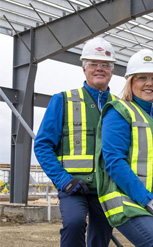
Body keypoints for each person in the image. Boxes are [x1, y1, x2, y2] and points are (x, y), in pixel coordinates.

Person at [34, 37, 117, 247]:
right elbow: (43, 145)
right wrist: (64, 180)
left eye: (105, 65)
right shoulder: (62, 100)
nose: (99, 69)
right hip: (72, 186)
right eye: (93, 64)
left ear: (112, 70)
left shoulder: (120, 106)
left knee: (102, 234)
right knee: (74, 222)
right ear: (84, 68)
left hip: (107, 189)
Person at [95, 49, 153, 247]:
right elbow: (114, 161)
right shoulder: (119, 112)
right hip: (131, 203)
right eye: (142, 78)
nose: (149, 83)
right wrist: (146, 199)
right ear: (131, 82)